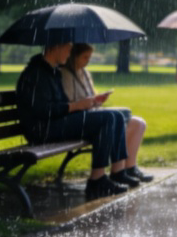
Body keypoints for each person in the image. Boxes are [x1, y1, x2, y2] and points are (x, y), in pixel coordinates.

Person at [15, 41, 133, 197]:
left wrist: (84, 105)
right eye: (68, 48)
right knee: (106, 118)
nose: (70, 53)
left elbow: (60, 105)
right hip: (41, 130)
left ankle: (117, 172)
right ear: (55, 46)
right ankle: (97, 180)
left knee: (115, 116)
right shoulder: (36, 74)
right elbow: (42, 110)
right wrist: (75, 106)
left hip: (54, 124)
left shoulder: (52, 72)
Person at [59, 43, 154, 184]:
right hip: (82, 118)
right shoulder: (65, 74)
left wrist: (98, 100)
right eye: (85, 57)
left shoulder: (84, 73)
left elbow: (90, 97)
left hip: (91, 112)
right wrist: (88, 103)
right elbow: (72, 102)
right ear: (74, 57)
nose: (88, 61)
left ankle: (129, 167)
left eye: (89, 57)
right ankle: (117, 171)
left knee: (139, 123)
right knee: (118, 118)